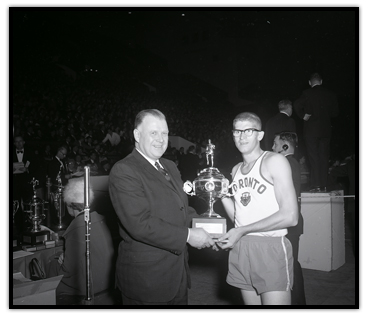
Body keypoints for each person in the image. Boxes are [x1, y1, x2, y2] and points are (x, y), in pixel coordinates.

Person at [109, 109, 215, 305]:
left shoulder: (169, 165)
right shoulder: (124, 170)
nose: (160, 139)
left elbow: (181, 208)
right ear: (137, 135)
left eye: (164, 133)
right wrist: (190, 235)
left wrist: (210, 226)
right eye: (153, 133)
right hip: (146, 281)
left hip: (177, 275)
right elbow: (139, 224)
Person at [217, 112, 298, 305]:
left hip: (269, 246)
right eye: (237, 131)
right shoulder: (235, 170)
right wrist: (221, 195)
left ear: (260, 135)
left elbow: (291, 216)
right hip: (242, 246)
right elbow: (239, 217)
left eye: (248, 131)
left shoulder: (274, 161)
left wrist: (242, 230)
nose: (242, 136)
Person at [47, 178, 115, 299]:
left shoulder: (75, 229)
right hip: (108, 284)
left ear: (69, 205)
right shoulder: (102, 220)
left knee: (51, 263)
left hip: (86, 290)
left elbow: (67, 272)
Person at [272, 131, 306, 305]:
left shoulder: (287, 163)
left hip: (288, 224)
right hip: (292, 223)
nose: (272, 147)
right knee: (291, 265)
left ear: (285, 146)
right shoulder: (293, 162)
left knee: (289, 267)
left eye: (275, 144)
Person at [294, 73, 339, 192]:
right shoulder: (330, 94)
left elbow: (297, 104)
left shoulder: (307, 93)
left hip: (311, 131)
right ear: (321, 81)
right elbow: (335, 112)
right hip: (325, 131)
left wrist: (303, 115)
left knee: (313, 157)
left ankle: (316, 185)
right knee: (324, 157)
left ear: (310, 83)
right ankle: (324, 184)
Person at [12, 135, 39, 231]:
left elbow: (36, 166)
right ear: (14, 143)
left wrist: (28, 169)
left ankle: (30, 223)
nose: (18, 143)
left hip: (27, 182)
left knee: (28, 202)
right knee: (16, 203)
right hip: (14, 183)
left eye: (20, 141)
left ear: (24, 142)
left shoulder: (30, 153)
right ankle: (19, 225)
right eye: (16, 141)